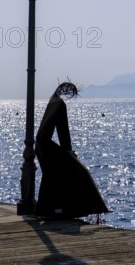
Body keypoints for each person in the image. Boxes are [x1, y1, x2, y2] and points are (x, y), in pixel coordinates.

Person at [34, 82, 109, 219]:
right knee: (79, 171)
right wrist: (68, 151)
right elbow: (63, 130)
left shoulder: (53, 101)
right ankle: (70, 209)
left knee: (52, 175)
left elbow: (60, 131)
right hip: (46, 145)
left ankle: (54, 209)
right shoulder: (59, 104)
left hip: (41, 145)